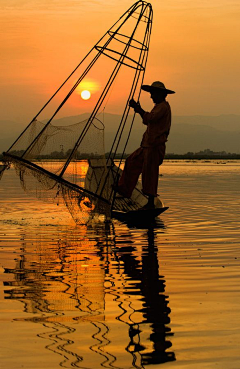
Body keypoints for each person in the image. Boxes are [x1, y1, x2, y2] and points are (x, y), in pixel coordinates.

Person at [115, 81, 175, 209]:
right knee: (131, 161)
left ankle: (150, 203)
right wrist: (139, 110)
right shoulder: (159, 106)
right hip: (147, 145)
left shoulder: (163, 107)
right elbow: (149, 120)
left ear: (160, 94)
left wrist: (138, 109)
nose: (151, 96)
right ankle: (124, 190)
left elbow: (149, 118)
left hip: (154, 146)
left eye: (153, 94)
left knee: (150, 174)